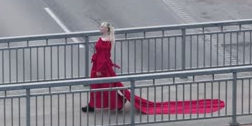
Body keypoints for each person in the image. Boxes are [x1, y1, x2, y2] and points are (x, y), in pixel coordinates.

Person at [82, 22, 225, 114]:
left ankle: (107, 104)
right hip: (99, 65)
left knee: (101, 86)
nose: (99, 28)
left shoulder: (107, 40)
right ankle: (104, 104)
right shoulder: (106, 38)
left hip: (102, 67)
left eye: (101, 27)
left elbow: (104, 55)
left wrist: (100, 68)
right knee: (102, 86)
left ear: (106, 29)